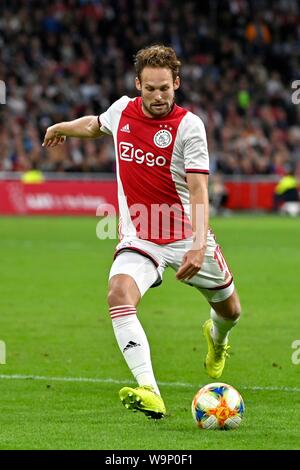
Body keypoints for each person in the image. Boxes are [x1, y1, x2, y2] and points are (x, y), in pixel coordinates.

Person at [43, 45, 241, 420]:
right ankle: (149, 389)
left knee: (230, 311)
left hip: (187, 236)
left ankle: (217, 340)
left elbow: (199, 191)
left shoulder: (189, 126)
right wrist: (61, 128)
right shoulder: (122, 110)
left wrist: (198, 247)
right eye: (150, 88)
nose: (157, 96)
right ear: (138, 85)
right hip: (140, 237)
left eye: (164, 88)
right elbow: (95, 124)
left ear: (176, 84)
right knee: (118, 292)